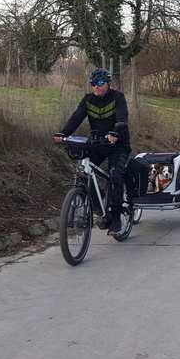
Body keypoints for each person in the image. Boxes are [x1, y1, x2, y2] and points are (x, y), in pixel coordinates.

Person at [53, 68, 130, 234]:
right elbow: (76, 117)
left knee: (115, 175)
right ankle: (99, 202)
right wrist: (63, 133)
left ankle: (116, 218)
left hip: (118, 144)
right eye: (94, 84)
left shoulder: (118, 97)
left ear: (108, 84)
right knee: (84, 173)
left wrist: (115, 133)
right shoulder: (88, 100)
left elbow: (122, 118)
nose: (97, 87)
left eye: (101, 83)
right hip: (97, 144)